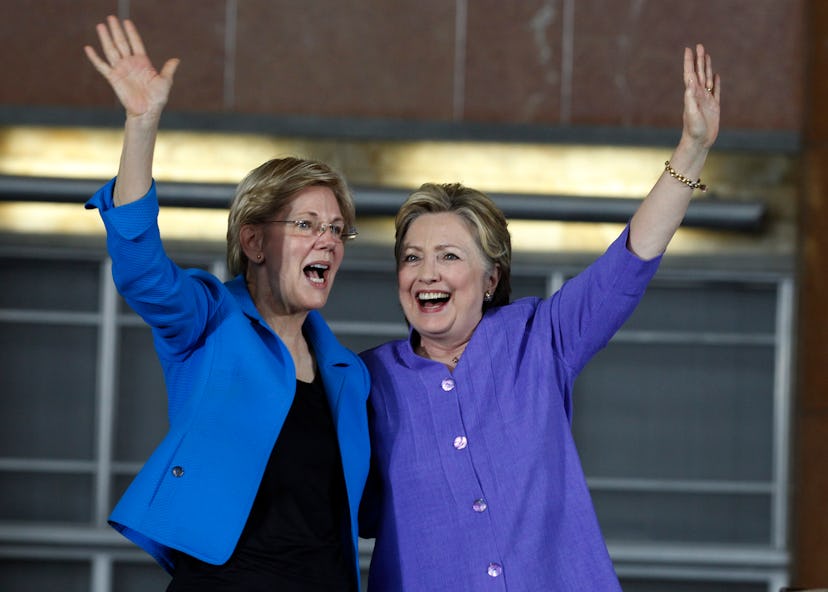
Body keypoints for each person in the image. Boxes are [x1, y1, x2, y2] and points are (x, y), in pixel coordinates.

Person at [358, 44, 720, 590]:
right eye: (412, 258)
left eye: (449, 257)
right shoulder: (365, 381)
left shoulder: (538, 338)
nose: (425, 273)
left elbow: (628, 264)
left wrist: (691, 151)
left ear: (491, 279)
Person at [83, 16, 370, 591]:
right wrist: (142, 124)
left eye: (338, 230)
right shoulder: (209, 320)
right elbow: (141, 268)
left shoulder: (350, 373)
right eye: (307, 223)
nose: (328, 241)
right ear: (254, 240)